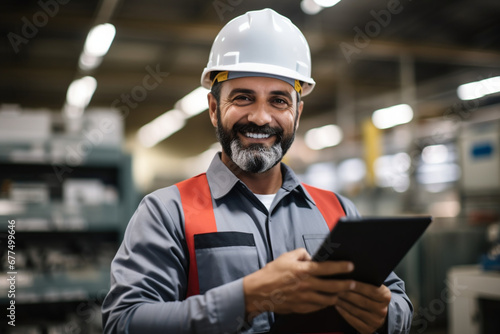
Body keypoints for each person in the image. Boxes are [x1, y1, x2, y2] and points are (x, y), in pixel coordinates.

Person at [102, 8, 413, 334]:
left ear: (297, 112)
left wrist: (384, 316)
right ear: (213, 108)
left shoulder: (338, 210)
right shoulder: (167, 212)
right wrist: (247, 298)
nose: (261, 117)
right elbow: (124, 323)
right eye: (243, 98)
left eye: (278, 101)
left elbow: (400, 304)